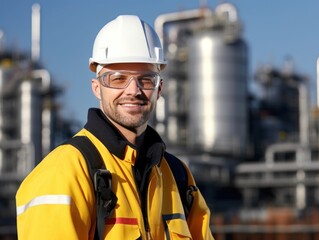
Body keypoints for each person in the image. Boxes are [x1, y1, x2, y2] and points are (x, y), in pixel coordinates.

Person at [16, 15, 214, 239]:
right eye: (118, 79)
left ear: (159, 89)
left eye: (146, 79)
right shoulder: (64, 172)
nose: (133, 90)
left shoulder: (178, 175)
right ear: (97, 88)